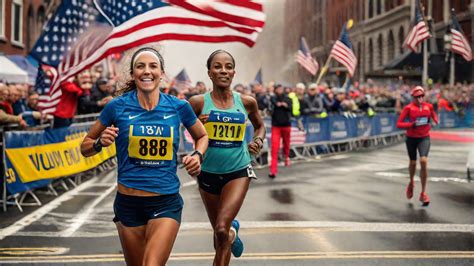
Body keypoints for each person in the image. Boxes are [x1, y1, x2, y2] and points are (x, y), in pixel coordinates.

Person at [80, 47, 208, 265]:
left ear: (162, 73)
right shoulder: (116, 107)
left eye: (152, 66)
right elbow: (85, 146)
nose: (146, 71)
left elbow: (202, 135)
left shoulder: (179, 107)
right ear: (133, 74)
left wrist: (197, 155)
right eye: (140, 66)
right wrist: (101, 142)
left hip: (165, 202)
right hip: (128, 203)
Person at [189, 50, 265, 266]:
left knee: (221, 227)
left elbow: (260, 126)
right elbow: (181, 128)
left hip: (238, 171)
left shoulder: (247, 102)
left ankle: (229, 231)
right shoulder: (197, 103)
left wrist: (257, 142)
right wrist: (198, 126)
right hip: (207, 174)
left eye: (228, 66)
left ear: (233, 72)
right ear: (209, 73)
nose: (224, 70)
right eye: (218, 66)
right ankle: (232, 234)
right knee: (219, 237)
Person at [396, 86, 438, 206]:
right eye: (417, 97)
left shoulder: (428, 106)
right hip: (411, 138)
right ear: (413, 97)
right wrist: (410, 125)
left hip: (424, 137)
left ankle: (423, 193)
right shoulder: (408, 108)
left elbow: (433, 114)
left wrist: (435, 120)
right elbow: (399, 123)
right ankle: (411, 183)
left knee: (424, 161)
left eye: (421, 96)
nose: (420, 99)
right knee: (413, 163)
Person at [268, 83, 292, 178]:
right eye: (278, 88)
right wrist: (279, 105)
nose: (279, 90)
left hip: (286, 125)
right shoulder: (272, 98)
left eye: (281, 88)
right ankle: (273, 171)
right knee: (274, 148)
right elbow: (272, 104)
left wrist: (284, 105)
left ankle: (286, 157)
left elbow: (290, 107)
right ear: (275, 90)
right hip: (276, 126)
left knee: (286, 145)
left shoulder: (287, 98)